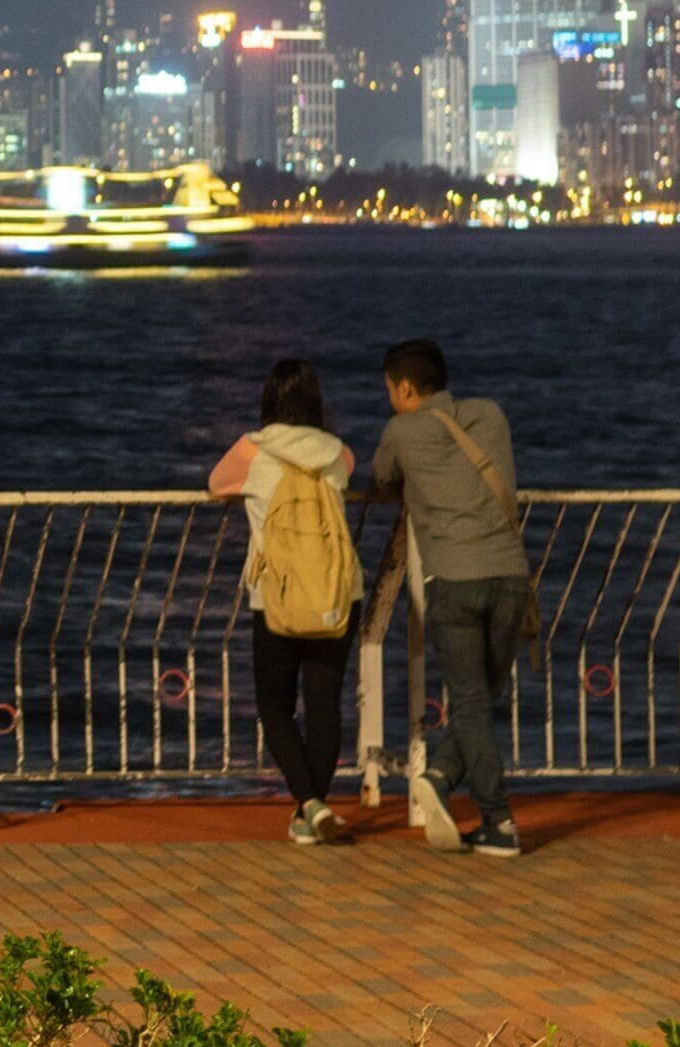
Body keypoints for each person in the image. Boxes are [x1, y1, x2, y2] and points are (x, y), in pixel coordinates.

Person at [369, 337, 530, 859]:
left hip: (454, 583)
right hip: (510, 575)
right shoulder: (490, 416)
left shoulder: (401, 430)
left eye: (391, 390)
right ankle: (438, 776)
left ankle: (499, 821)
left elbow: (382, 477)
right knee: (482, 699)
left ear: (406, 388)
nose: (391, 399)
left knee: (469, 702)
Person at [205, 358, 360, 845]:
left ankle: (309, 805)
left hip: (276, 595)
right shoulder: (339, 454)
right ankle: (312, 810)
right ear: (316, 402)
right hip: (336, 593)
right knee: (325, 707)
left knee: (275, 706)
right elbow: (350, 476)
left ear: (269, 400)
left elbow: (215, 485)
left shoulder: (252, 449)